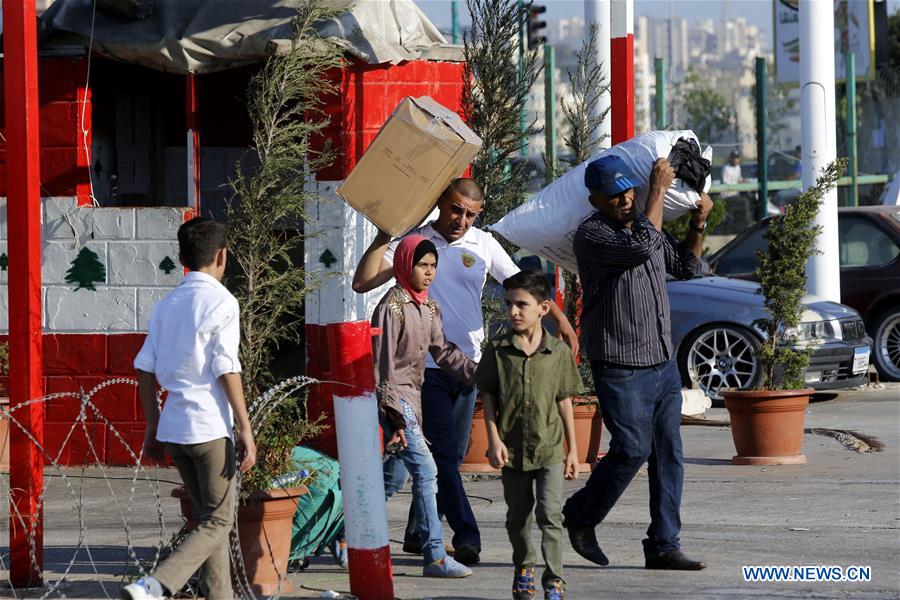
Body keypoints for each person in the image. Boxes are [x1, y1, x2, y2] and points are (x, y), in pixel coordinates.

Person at [353, 178, 578, 565]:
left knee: (449, 457)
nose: (461, 220)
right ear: (441, 201)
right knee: (440, 455)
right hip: (424, 371)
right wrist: (382, 237)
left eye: (471, 214)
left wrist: (562, 322)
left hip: (465, 365)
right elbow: (363, 282)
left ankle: (417, 532)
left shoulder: (483, 244)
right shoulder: (417, 243)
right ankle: (466, 535)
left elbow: (521, 284)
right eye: (456, 209)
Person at [562, 155, 711, 571]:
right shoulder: (591, 234)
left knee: (668, 454)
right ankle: (579, 516)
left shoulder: (645, 222)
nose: (625, 199)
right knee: (630, 449)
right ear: (595, 200)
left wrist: (697, 224)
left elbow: (686, 266)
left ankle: (664, 544)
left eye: (629, 190)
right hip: (621, 364)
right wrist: (659, 192)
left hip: (661, 362)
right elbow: (642, 246)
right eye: (614, 196)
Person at [122, 217, 256, 600]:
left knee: (208, 522)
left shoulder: (167, 304)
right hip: (209, 430)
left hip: (175, 431)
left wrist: (152, 425)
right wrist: (245, 427)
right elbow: (226, 366)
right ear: (222, 256)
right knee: (218, 520)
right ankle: (157, 583)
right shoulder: (222, 301)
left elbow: (144, 367)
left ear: (182, 257)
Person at [372, 234, 478, 578]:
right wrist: (395, 419)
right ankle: (434, 554)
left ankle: (339, 533)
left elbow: (443, 352)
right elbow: (383, 368)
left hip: (413, 400)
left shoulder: (429, 307)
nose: (429, 273)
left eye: (433, 266)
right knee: (427, 471)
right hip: (396, 403)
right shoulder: (392, 308)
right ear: (405, 265)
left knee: (390, 479)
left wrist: (479, 375)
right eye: (422, 265)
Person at [477, 272, 583, 600]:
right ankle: (524, 567)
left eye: (522, 304)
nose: (513, 311)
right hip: (512, 449)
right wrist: (493, 440)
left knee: (550, 515)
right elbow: (489, 398)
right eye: (509, 304)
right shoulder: (497, 350)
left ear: (543, 308)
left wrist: (572, 450)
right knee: (516, 518)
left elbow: (565, 400)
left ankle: (555, 581)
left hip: (549, 447)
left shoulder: (558, 352)